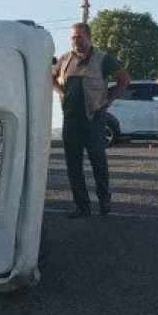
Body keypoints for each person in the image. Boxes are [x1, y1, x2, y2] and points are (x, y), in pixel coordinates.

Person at [52, 23, 131, 218]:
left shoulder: (103, 59)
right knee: (73, 165)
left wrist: (108, 99)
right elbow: (51, 77)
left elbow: (124, 79)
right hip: (71, 119)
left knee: (98, 160)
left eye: (79, 37)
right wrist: (61, 91)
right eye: (72, 38)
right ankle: (82, 206)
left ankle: (104, 201)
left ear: (90, 38)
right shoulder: (65, 59)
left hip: (94, 117)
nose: (75, 41)